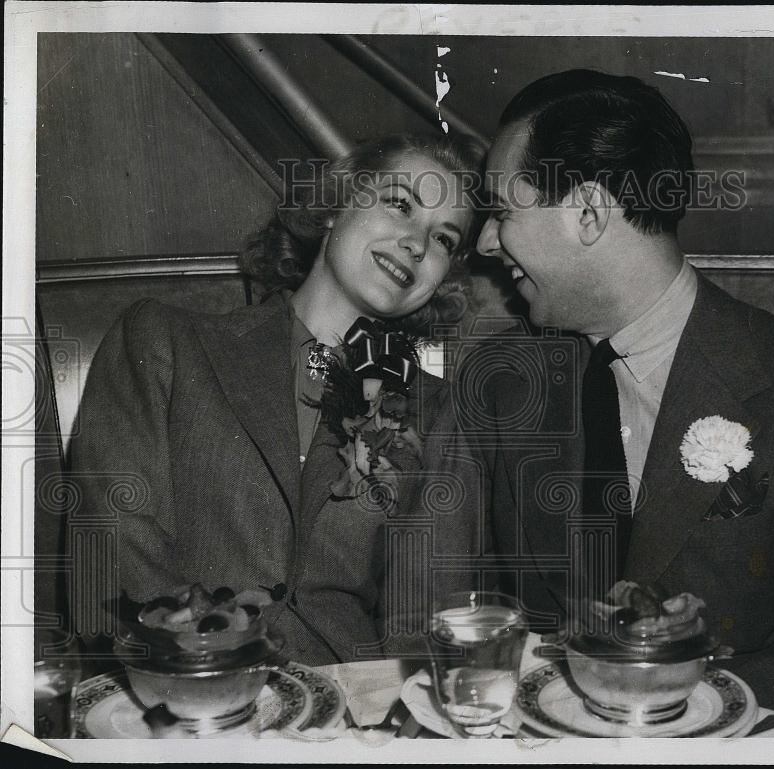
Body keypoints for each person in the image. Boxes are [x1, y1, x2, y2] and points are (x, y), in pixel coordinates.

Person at [469, 69, 774, 731]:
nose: (484, 240)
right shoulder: (505, 379)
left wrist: (689, 696)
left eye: (503, 212)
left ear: (589, 212)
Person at [69, 133, 486, 665]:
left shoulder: (438, 411)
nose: (417, 245)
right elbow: (115, 554)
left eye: (444, 239)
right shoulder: (162, 342)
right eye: (400, 204)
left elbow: (424, 621)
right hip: (184, 690)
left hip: (348, 718)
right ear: (337, 206)